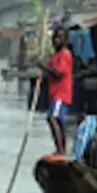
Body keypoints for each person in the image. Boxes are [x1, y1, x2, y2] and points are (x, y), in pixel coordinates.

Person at [38, 27, 74, 155]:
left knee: (52, 118)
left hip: (61, 93)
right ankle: (62, 149)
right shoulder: (56, 56)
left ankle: (60, 150)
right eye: (55, 37)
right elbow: (52, 74)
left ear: (65, 40)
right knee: (59, 120)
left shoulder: (64, 54)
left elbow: (58, 74)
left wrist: (44, 67)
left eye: (60, 37)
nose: (56, 40)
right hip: (54, 94)